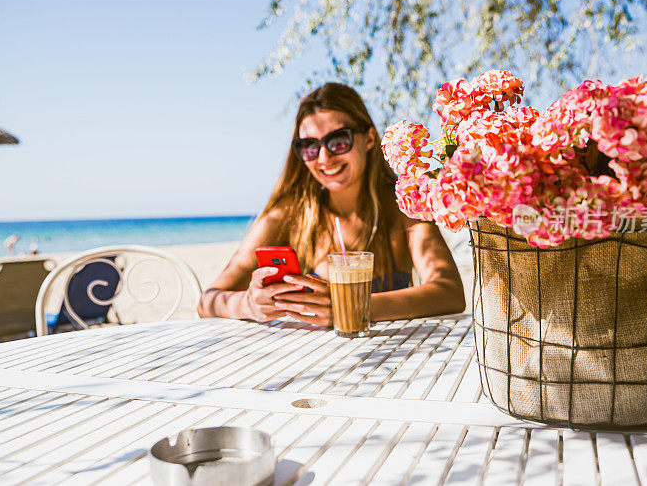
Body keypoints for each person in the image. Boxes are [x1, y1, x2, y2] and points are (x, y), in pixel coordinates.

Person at [198, 83, 465, 326]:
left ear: (369, 138)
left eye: (338, 142)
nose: (324, 158)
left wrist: (348, 307)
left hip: (396, 358)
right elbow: (207, 301)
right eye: (310, 147)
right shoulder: (290, 215)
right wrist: (248, 304)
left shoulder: (404, 207)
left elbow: (450, 293)